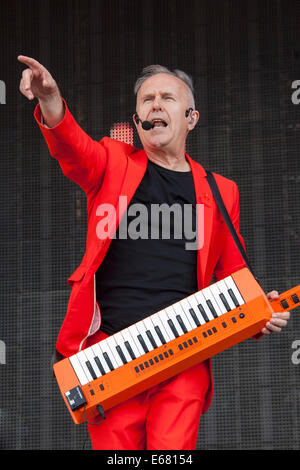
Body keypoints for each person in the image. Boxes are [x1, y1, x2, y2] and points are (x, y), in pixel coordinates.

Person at [18, 56, 290, 450]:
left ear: (191, 118)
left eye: (167, 98)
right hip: (110, 354)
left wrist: (260, 308)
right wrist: (51, 100)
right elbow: (73, 148)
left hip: (185, 354)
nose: (156, 105)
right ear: (137, 117)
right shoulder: (112, 162)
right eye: (147, 100)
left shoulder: (220, 191)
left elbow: (234, 274)